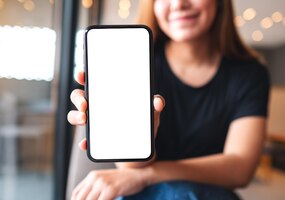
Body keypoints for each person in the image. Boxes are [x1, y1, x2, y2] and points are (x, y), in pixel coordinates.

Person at [67, 0, 270, 199]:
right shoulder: (135, 61)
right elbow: (130, 167)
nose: (178, 3)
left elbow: (240, 169)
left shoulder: (250, 74)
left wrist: (146, 175)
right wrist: (140, 138)